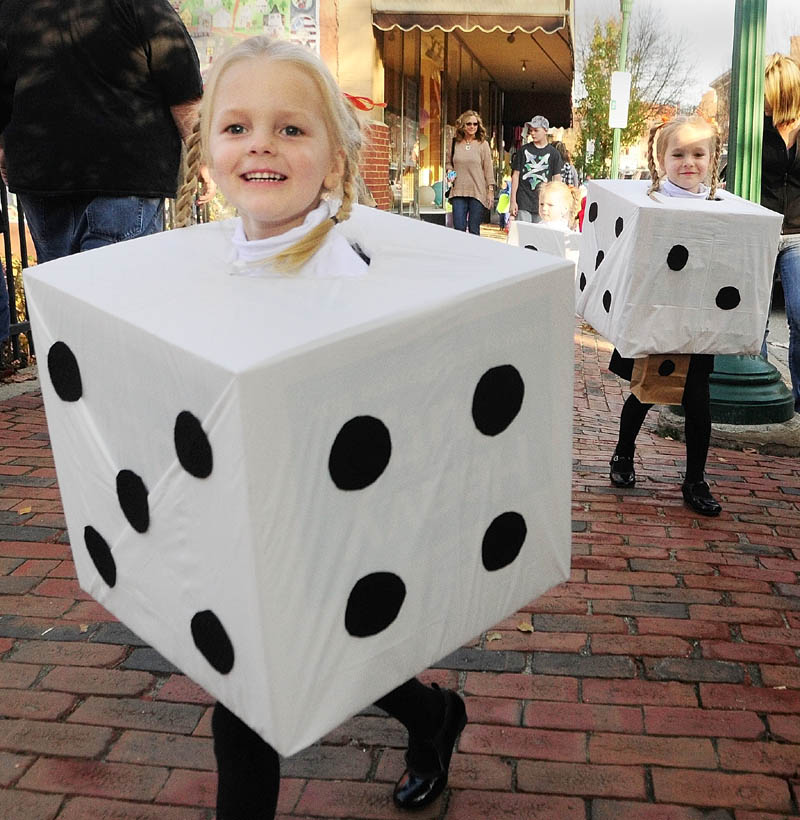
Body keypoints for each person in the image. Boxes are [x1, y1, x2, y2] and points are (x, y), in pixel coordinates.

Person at [177, 36, 468, 819]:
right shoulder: (199, 266)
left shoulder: (348, 270)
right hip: (245, 512)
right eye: (235, 128)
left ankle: (429, 714)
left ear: (336, 162)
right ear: (207, 160)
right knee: (274, 684)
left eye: (291, 129)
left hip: (330, 508)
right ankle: (431, 715)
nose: (261, 143)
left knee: (308, 667)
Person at [0, 0, 214, 264]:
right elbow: (182, 90)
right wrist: (202, 158)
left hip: (42, 175)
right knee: (119, 294)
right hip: (125, 175)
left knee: (61, 296)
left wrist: (4, 148)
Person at [608, 116, 724, 517]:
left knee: (698, 401)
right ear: (661, 159)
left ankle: (695, 479)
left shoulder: (721, 207)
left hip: (698, 321)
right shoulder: (649, 202)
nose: (688, 162)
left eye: (698, 153)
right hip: (655, 316)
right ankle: (623, 454)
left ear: (712, 158)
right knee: (645, 390)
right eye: (678, 154)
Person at [761, 53, 800, 414]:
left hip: (798, 235)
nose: (764, 101)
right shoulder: (755, 128)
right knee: (754, 316)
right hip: (762, 229)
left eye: (769, 94)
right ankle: (758, 382)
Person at [445, 110, 495, 235]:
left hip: (477, 192)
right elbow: (448, 163)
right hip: (458, 191)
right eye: (469, 124)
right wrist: (450, 173)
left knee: (474, 229)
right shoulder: (454, 143)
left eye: (475, 124)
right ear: (463, 125)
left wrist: (490, 191)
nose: (472, 127)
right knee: (459, 228)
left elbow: (488, 169)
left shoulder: (483, 145)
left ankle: (474, 254)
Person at [510, 115, 562, 223]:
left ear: (545, 131)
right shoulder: (523, 151)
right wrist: (513, 200)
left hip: (543, 202)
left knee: (539, 235)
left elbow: (557, 179)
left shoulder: (554, 154)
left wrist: (557, 202)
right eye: (531, 130)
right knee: (524, 235)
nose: (532, 133)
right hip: (523, 200)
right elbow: (515, 175)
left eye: (536, 130)